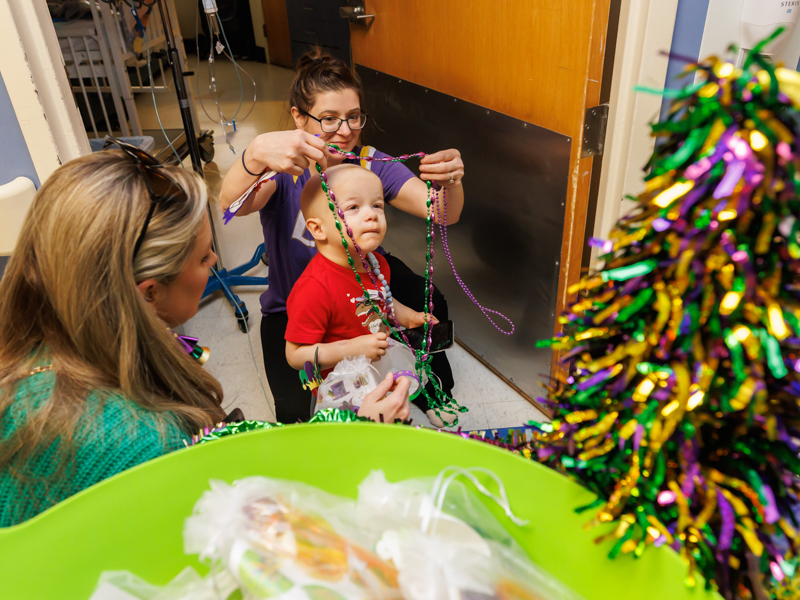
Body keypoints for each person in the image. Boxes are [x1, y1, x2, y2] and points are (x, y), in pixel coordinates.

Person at [0, 146, 410, 526]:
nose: (217, 259)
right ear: (148, 293)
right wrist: (347, 434)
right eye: (202, 257)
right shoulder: (139, 443)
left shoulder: (43, 349)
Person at [219, 49, 465, 427]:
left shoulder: (368, 161)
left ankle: (434, 389)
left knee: (427, 304)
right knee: (301, 418)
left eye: (354, 117)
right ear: (299, 118)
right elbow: (231, 204)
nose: (346, 130)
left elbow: (442, 210)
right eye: (330, 119)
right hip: (297, 303)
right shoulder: (284, 170)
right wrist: (254, 155)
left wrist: (452, 180)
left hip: (364, 279)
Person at [285, 165, 436, 381]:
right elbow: (295, 356)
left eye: (377, 205)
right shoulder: (315, 287)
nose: (371, 215)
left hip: (376, 372)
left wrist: (410, 317)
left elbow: (382, 301)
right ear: (318, 229)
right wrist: (351, 348)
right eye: (353, 207)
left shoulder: (377, 263)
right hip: (340, 388)